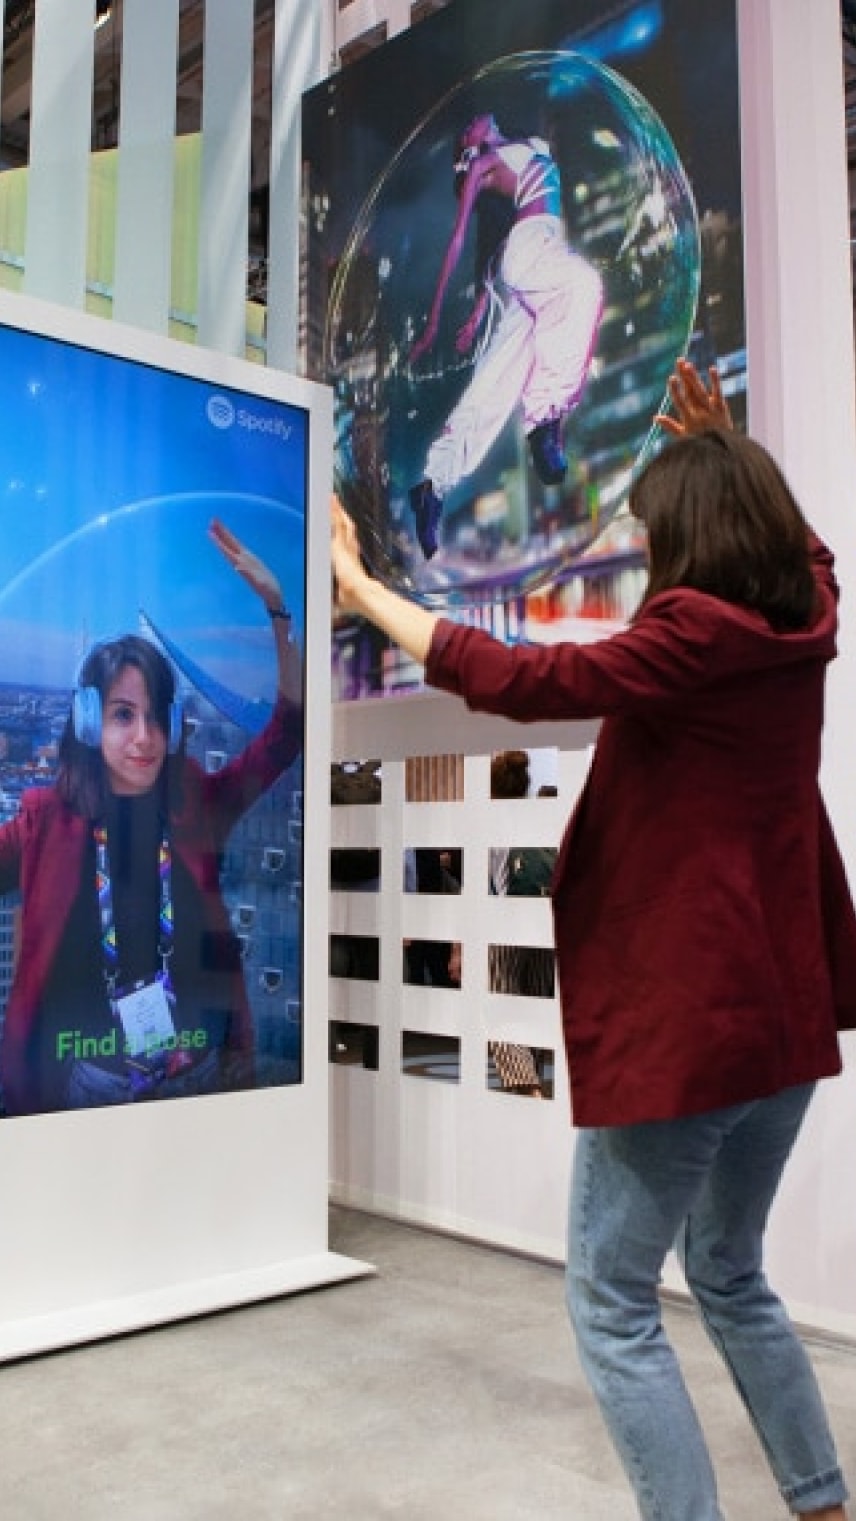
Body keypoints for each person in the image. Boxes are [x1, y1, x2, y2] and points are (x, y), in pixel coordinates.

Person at [331, 359, 855, 1521]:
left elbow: (524, 676)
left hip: (693, 1032)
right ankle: (821, 1505)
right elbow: (812, 554)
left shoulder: (690, 640)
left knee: (611, 1303)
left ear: (688, 548)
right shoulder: (801, 624)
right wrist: (728, 450)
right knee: (728, 1273)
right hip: (787, 1023)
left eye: (657, 531)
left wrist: (363, 594)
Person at [0, 520, 302, 1116]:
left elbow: (285, 734)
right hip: (87, 1086)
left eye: (155, 717)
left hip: (200, 1073)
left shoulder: (191, 800)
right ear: (88, 722)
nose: (145, 738)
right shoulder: (43, 819)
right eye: (121, 715)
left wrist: (277, 611)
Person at [408, 113, 604, 558]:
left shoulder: (523, 145)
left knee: (492, 386)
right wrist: (434, 321)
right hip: (532, 248)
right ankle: (541, 419)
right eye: (465, 132)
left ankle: (433, 486)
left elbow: (494, 249)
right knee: (582, 285)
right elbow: (457, 242)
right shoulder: (483, 164)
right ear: (469, 151)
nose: (473, 121)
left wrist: (481, 306)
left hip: (534, 259)